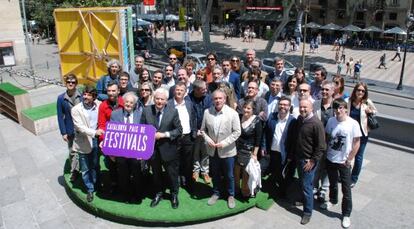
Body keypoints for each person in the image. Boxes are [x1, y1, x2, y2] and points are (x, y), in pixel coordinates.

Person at [321, 98, 362, 229]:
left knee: (346, 188)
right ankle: (333, 200)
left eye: (341, 108)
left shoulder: (353, 124)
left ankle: (346, 214)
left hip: (344, 161)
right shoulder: (331, 121)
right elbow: (327, 137)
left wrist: (349, 159)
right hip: (331, 158)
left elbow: (357, 143)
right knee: (332, 183)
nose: (338, 110)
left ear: (345, 109)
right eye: (336, 108)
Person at [140, 88, 183, 209]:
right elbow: (141, 128)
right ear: (154, 99)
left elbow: (179, 130)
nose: (159, 101)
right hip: (152, 150)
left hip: (168, 148)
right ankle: (158, 193)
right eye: (157, 98)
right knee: (156, 174)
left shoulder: (173, 111)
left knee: (172, 173)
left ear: (166, 101)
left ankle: (174, 194)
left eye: (162, 99)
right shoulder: (146, 110)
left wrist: (164, 135)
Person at [285, 99, 326, 225]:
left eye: (305, 108)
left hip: (308, 161)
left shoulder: (316, 124)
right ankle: (303, 201)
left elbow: (321, 147)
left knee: (307, 186)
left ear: (311, 108)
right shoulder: (299, 120)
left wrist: (313, 161)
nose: (302, 109)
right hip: (298, 157)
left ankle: (307, 212)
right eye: (301, 107)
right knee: (303, 183)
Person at [202, 89, 241, 209]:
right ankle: (216, 193)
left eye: (220, 98)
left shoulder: (232, 113)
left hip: (227, 150)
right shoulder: (207, 112)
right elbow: (203, 130)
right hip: (212, 150)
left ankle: (231, 195)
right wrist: (208, 140)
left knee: (229, 175)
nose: (218, 100)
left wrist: (224, 143)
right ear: (212, 100)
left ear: (225, 99)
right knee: (215, 173)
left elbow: (237, 132)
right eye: (215, 98)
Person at [71, 86, 104, 202]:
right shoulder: (76, 109)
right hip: (83, 141)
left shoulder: (99, 105)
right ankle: (90, 189)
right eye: (84, 94)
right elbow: (80, 127)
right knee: (85, 168)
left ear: (94, 97)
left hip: (96, 140)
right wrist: (95, 132)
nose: (85, 96)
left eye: (89, 95)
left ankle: (96, 183)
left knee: (95, 164)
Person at [109, 92, 144, 203]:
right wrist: (111, 152)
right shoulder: (115, 114)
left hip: (135, 152)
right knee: (123, 174)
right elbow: (112, 133)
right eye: (127, 102)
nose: (128, 104)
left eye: (131, 102)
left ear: (135, 104)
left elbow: (144, 134)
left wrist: (142, 154)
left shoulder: (140, 114)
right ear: (123, 102)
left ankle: (138, 194)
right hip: (120, 152)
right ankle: (126, 195)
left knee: (137, 173)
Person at [262, 96, 295, 198]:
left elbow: (294, 141)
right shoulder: (272, 116)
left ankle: (281, 193)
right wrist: (263, 147)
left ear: (289, 107)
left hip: (283, 153)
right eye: (281, 104)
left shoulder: (293, 121)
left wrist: (290, 155)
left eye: (285, 105)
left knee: (281, 175)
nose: (282, 106)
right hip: (271, 151)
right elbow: (265, 133)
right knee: (262, 169)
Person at [167, 82, 197, 189]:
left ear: (185, 92)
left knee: (188, 161)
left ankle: (187, 181)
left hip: (187, 137)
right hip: (174, 137)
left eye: (181, 90)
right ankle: (175, 181)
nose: (179, 92)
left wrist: (194, 133)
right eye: (177, 90)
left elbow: (193, 118)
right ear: (174, 91)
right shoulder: (168, 104)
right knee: (175, 161)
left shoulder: (189, 104)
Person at [348, 83, 377, 187]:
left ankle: (353, 178)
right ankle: (345, 174)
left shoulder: (367, 102)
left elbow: (375, 111)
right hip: (350, 133)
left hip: (362, 134)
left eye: (362, 91)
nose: (360, 92)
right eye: (358, 90)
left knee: (359, 157)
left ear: (365, 93)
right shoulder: (349, 101)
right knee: (347, 154)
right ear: (355, 90)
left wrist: (370, 111)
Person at [97, 81, 124, 192]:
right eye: (109, 91)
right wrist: (104, 142)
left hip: (124, 139)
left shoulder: (124, 102)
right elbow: (102, 125)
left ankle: (125, 182)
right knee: (112, 165)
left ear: (118, 91)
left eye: (113, 91)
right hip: (111, 140)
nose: (111, 93)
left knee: (124, 164)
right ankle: (114, 184)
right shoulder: (103, 106)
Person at [312, 81, 335, 202]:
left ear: (332, 91)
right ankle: (314, 187)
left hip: (331, 142)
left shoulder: (337, 106)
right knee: (316, 164)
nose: (324, 92)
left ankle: (324, 189)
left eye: (327, 90)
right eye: (323, 89)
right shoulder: (315, 104)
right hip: (318, 141)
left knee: (327, 167)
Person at [57, 74, 82, 182]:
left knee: (84, 150)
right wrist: (63, 132)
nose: (70, 84)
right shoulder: (61, 98)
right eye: (68, 82)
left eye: (73, 82)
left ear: (76, 83)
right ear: (65, 83)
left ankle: (84, 169)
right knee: (72, 151)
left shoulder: (81, 95)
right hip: (70, 129)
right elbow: (60, 116)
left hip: (82, 128)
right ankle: (74, 171)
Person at [235, 100, 263, 198]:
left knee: (247, 173)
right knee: (236, 172)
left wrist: (254, 154)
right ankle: (236, 189)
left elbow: (258, 139)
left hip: (249, 151)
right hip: (237, 149)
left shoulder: (257, 121)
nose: (246, 110)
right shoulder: (238, 117)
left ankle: (245, 190)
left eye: (248, 108)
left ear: (253, 110)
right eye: (245, 107)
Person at [189, 80, 213, 184]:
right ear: (196, 90)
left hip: (206, 130)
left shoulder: (208, 98)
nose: (206, 90)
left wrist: (205, 129)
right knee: (195, 151)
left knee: (205, 152)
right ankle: (195, 171)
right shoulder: (188, 99)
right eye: (203, 89)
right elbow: (189, 117)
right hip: (193, 130)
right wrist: (195, 130)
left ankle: (205, 172)